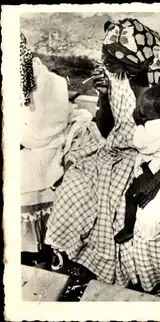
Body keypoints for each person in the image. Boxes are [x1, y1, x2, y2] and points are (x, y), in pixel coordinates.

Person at [45, 18, 160, 296]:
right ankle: (81, 259)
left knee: (129, 206)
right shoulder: (116, 78)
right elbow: (106, 130)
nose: (103, 60)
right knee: (74, 185)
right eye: (105, 53)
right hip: (115, 152)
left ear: (135, 61)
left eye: (111, 57)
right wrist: (104, 96)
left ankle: (143, 281)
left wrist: (159, 176)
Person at [20, 32, 97, 262]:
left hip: (42, 138)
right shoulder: (34, 74)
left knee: (28, 171)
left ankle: (39, 251)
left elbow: (40, 129)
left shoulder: (39, 79)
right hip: (33, 136)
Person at [114, 84, 160, 244]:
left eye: (146, 113)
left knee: (131, 195)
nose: (141, 112)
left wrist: (139, 124)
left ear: (159, 116)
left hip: (157, 166)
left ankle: (128, 229)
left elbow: (141, 144)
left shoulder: (157, 128)